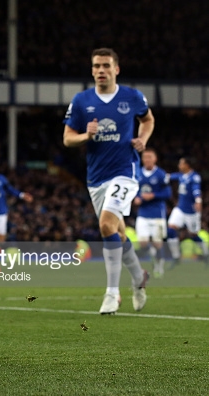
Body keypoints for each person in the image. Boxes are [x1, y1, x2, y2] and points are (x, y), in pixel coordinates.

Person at [63, 48, 155, 314]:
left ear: (116, 69)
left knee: (105, 225)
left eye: (106, 65)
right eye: (96, 66)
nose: (101, 70)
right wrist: (85, 136)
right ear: (92, 70)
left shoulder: (132, 96)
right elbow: (67, 138)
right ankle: (139, 278)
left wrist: (143, 139)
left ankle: (112, 294)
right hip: (96, 178)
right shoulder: (82, 101)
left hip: (125, 171)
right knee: (118, 232)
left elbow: (148, 119)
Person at [132, 148, 171, 278]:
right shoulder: (138, 173)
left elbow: (168, 193)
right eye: (145, 157)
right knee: (143, 243)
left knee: (158, 243)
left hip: (157, 214)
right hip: (143, 213)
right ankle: (154, 254)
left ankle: (159, 265)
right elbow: (133, 189)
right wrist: (136, 197)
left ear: (155, 159)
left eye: (150, 157)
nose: (147, 160)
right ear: (142, 159)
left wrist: (153, 195)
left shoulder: (161, 174)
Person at [166, 157, 208, 266]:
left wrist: (198, 201)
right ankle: (176, 257)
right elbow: (168, 176)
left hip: (192, 212)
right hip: (180, 209)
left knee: (193, 235)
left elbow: (196, 190)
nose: (179, 165)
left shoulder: (195, 177)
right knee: (170, 230)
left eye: (181, 163)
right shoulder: (181, 176)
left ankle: (206, 254)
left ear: (187, 165)